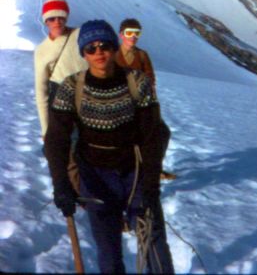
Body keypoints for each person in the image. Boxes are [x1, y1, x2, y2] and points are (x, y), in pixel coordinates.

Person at [44, 19, 174, 274]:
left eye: (104, 45)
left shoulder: (137, 82)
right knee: (108, 246)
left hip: (135, 172)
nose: (98, 52)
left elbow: (152, 135)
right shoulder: (71, 87)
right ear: (83, 53)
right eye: (90, 48)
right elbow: (56, 139)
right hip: (95, 177)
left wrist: (151, 184)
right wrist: (61, 184)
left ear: (114, 48)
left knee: (153, 238)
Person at [115, 18, 175, 180]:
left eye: (137, 33)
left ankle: (154, 167)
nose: (133, 37)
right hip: (118, 106)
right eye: (129, 33)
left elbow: (150, 80)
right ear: (121, 35)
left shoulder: (142, 55)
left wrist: (151, 104)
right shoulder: (113, 54)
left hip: (142, 105)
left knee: (162, 133)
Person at [34, 0, 87, 137]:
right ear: (46, 21)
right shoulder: (41, 51)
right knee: (67, 149)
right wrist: (46, 129)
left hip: (90, 101)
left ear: (66, 18)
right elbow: (41, 91)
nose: (57, 21)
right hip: (62, 107)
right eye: (52, 18)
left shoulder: (81, 34)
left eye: (61, 17)